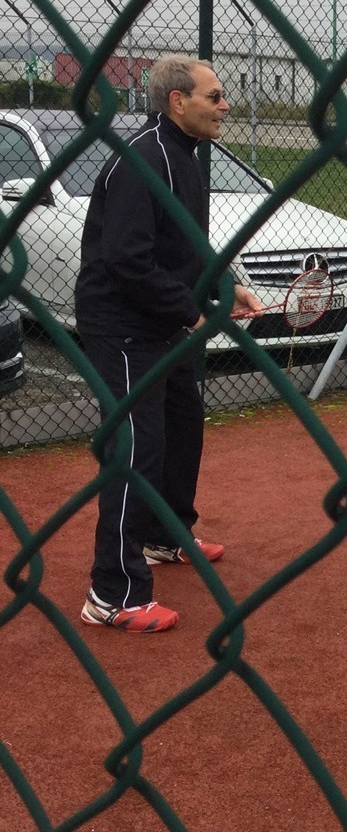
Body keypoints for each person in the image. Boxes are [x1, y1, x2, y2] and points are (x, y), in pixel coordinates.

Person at [76, 56, 263, 633]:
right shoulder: (143, 160)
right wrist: (192, 310)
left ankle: (163, 534)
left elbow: (182, 246)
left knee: (183, 423)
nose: (225, 105)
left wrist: (224, 287)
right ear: (178, 101)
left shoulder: (182, 154)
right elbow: (127, 261)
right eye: (215, 96)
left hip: (161, 323)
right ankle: (112, 594)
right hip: (122, 327)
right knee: (137, 448)